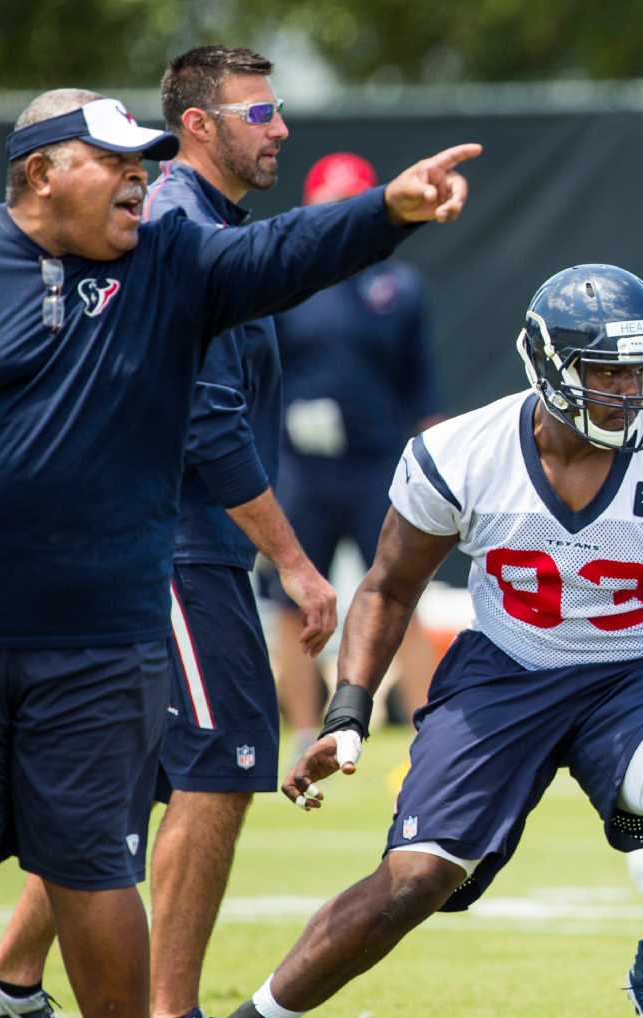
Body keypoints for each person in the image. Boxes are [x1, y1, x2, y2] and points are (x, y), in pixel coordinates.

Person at [164, 265, 643, 1018]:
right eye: (606, 371)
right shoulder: (462, 453)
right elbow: (389, 587)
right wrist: (349, 711)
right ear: (546, 366)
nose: (630, 390)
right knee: (417, 879)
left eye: (640, 369)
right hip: (505, 671)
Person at [0, 85, 476, 1018]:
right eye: (114, 160)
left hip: (99, 624)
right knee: (137, 812)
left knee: (91, 855)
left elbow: (284, 259)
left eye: (147, 159)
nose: (140, 177)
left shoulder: (169, 260)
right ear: (39, 174)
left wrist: (386, 212)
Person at [0, 46, 334, 1018]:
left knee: (115, 786)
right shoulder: (170, 237)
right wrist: (294, 562)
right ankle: (168, 1016)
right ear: (201, 124)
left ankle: (13, 981)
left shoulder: (184, 228)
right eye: (260, 111)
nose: (279, 129)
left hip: (163, 555)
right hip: (176, 552)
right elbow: (208, 421)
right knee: (220, 763)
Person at [269, 151, 446, 746]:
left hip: (379, 466)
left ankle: (428, 728)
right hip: (303, 469)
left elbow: (421, 382)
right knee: (294, 603)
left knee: (402, 592)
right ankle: (300, 729)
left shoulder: (397, 285)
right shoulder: (286, 285)